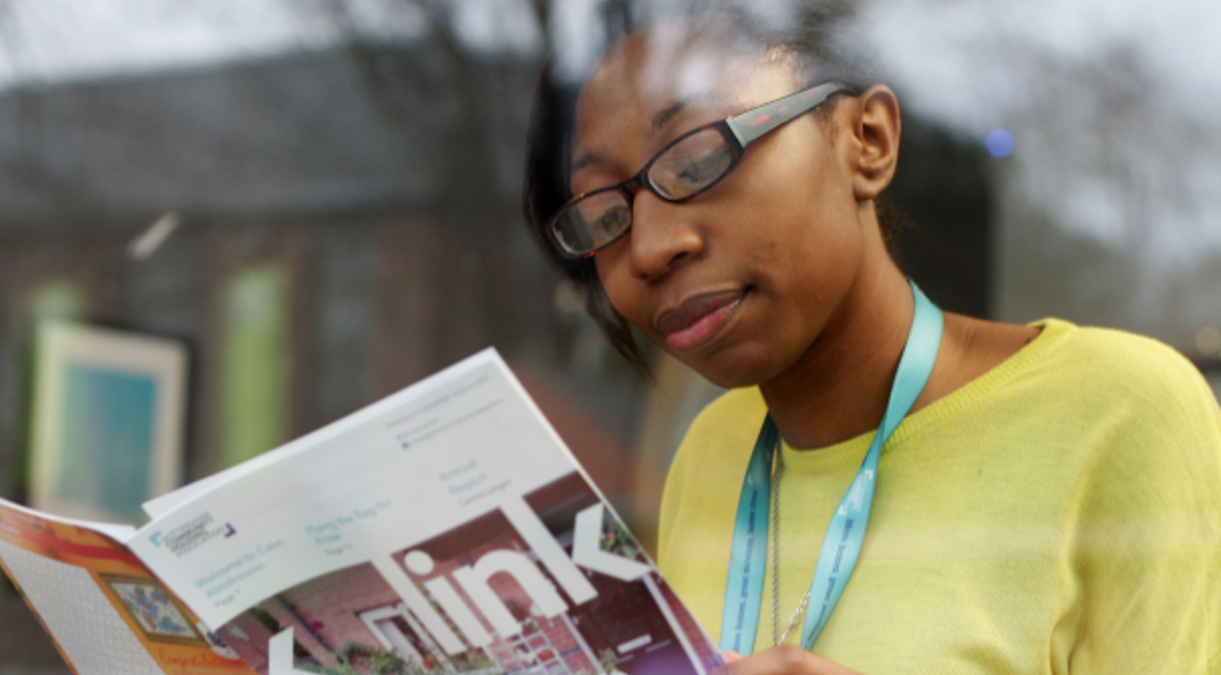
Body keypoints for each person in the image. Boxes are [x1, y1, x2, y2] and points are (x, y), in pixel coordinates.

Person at [522, 6, 1221, 675]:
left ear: (868, 141)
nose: (648, 247)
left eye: (700, 161)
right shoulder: (711, 452)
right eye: (604, 215)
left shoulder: (1120, 413)